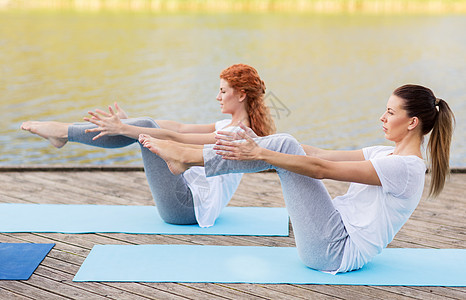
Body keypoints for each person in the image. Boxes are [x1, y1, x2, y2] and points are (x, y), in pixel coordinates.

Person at [139, 84, 455, 273]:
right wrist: (263, 142)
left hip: (335, 250)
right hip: (331, 234)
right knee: (286, 144)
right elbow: (321, 153)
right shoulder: (385, 154)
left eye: (390, 112)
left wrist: (264, 154)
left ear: (412, 122)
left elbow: (321, 170)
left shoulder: (406, 168)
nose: (382, 117)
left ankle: (190, 157)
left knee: (284, 148)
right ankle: (189, 157)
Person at [21, 64, 275, 227]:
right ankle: (64, 134)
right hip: (186, 199)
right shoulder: (227, 125)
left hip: (185, 209)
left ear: (241, 94)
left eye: (222, 91)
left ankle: (63, 133)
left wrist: (127, 128)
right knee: (144, 125)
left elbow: (177, 139)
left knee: (143, 130)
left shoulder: (239, 134)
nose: (217, 97)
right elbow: (180, 128)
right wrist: (131, 123)